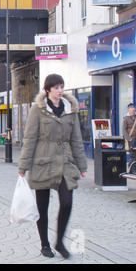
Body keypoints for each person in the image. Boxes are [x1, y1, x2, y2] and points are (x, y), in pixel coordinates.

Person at [18, 74, 87, 259]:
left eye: (61, 86)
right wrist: (23, 167)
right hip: (42, 163)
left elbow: (76, 139)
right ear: (48, 89)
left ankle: (59, 242)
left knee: (66, 202)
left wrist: (81, 165)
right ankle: (45, 244)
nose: (60, 90)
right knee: (43, 207)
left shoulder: (70, 110)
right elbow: (30, 138)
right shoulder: (38, 109)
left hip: (65, 164)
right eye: (56, 87)